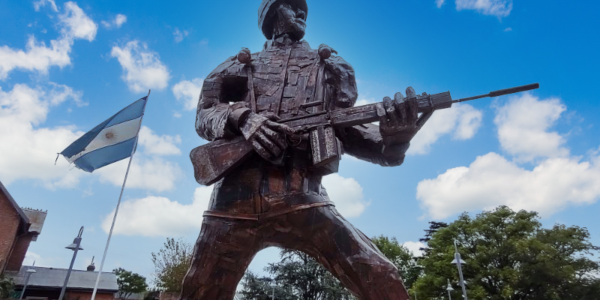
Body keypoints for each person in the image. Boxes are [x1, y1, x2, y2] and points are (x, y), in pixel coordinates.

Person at [181, 0, 430, 299]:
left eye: (303, 10)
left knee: (380, 275)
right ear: (271, 16)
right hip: (233, 206)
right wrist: (244, 118)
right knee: (201, 290)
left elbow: (345, 127)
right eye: (290, 6)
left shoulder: (328, 67)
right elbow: (205, 113)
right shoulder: (240, 65)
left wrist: (395, 138)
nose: (301, 13)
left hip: (304, 201)